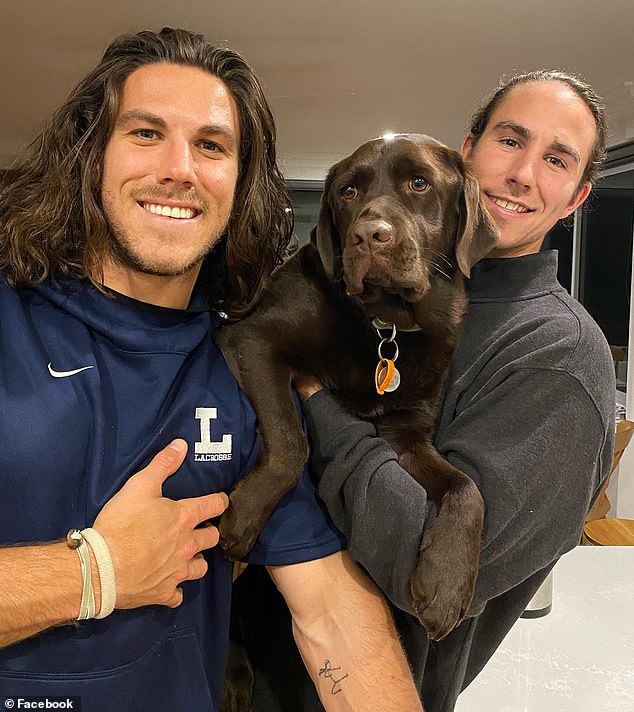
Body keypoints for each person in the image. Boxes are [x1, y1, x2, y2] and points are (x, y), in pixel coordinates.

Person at [0, 28, 424, 712]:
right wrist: (95, 573)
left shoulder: (243, 370)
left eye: (211, 145)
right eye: (145, 133)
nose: (180, 168)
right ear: (91, 156)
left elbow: (330, 614)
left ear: (242, 181)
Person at [234, 71, 616, 711]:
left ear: (575, 198)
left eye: (555, 159)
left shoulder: (558, 357)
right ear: (468, 154)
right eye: (510, 140)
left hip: (360, 689)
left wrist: (313, 401)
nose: (523, 172)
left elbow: (423, 574)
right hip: (237, 649)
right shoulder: (389, 307)